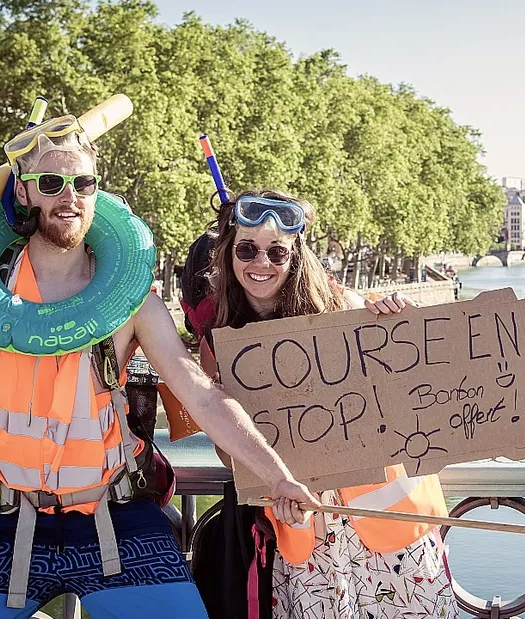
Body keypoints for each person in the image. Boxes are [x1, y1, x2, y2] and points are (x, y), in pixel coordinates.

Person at [0, 121, 317, 618]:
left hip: (117, 516)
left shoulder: (131, 300)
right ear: (24, 192)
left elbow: (201, 394)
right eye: (51, 183)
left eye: (83, 183)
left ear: (97, 190)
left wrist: (277, 476)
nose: (69, 197)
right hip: (6, 522)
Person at [182, 190, 460, 619]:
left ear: (295, 256)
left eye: (277, 252)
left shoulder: (345, 311)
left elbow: (421, 379)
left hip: (395, 530)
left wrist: (401, 320)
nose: (261, 263)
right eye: (247, 249)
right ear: (229, 254)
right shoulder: (218, 347)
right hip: (307, 535)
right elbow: (228, 453)